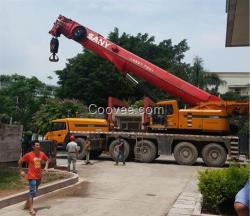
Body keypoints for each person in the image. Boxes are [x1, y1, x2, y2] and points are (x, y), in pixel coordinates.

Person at [18, 141, 49, 216]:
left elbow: (47, 159)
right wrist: (21, 171)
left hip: (39, 176)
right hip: (31, 176)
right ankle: (31, 209)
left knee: (33, 192)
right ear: (33, 147)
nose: (38, 146)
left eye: (39, 145)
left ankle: (27, 204)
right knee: (33, 192)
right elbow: (20, 161)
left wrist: (46, 167)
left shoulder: (42, 154)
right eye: (37, 145)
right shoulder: (29, 155)